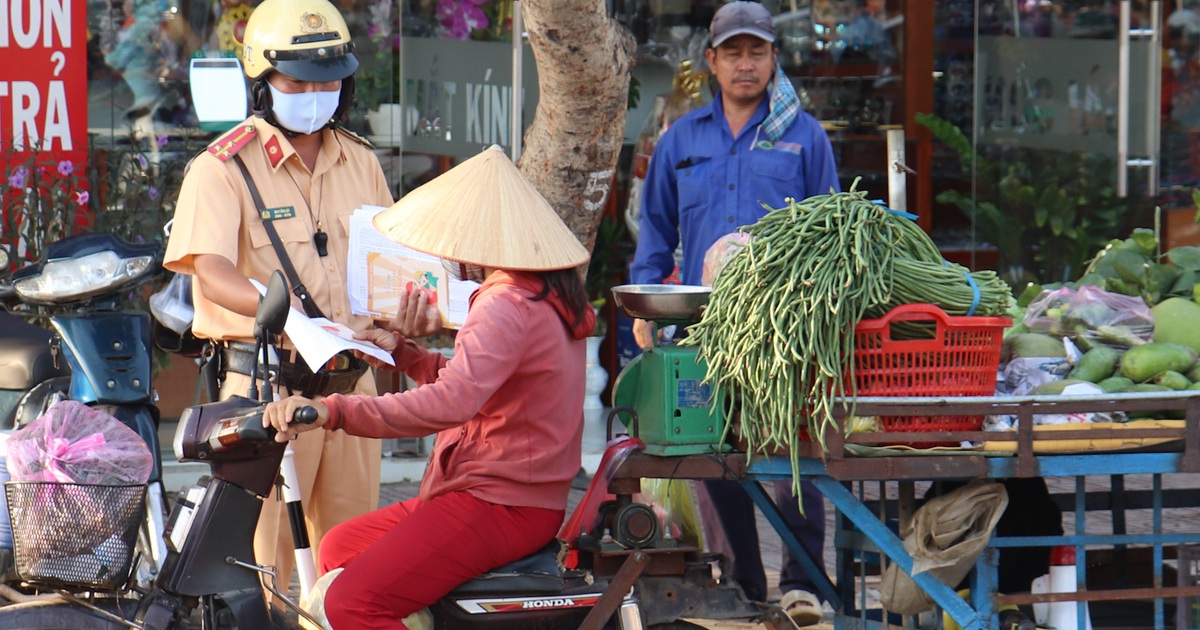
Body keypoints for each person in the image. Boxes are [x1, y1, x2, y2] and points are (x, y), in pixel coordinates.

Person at [261, 145, 595, 630]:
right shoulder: (539, 292)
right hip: (506, 495)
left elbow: (453, 401)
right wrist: (405, 355)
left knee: (347, 604)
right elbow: (483, 386)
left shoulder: (505, 303)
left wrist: (336, 410)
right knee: (339, 548)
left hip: (498, 501)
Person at [162, 0, 394, 593]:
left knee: (354, 564)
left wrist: (403, 316)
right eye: (299, 80)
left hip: (352, 386)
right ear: (262, 80)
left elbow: (388, 264)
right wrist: (285, 316)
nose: (316, 93)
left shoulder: (361, 160)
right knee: (261, 570)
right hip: (268, 387)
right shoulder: (223, 167)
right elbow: (211, 271)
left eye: (328, 80)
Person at [628, 2, 840, 626]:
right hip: (705, 328)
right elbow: (655, 233)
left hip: (784, 329)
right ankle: (745, 585)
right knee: (713, 456)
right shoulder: (680, 139)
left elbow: (831, 232)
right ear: (712, 61)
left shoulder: (804, 135)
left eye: (757, 52)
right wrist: (645, 307)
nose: (746, 64)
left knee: (794, 456)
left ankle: (802, 586)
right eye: (734, 53)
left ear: (773, 59)